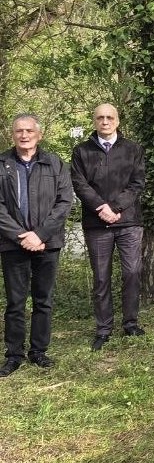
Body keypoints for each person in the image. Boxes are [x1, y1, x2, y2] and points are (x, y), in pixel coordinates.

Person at [0, 114, 73, 376]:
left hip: (47, 243)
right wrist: (21, 235)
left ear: (39, 135)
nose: (24, 135)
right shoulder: (2, 164)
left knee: (44, 300)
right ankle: (14, 355)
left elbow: (64, 202)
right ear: (12, 135)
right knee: (15, 302)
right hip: (13, 244)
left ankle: (39, 351)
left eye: (29, 130)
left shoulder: (55, 163)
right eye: (19, 131)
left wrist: (40, 235)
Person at [71, 103, 146, 350]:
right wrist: (101, 208)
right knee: (101, 276)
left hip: (129, 222)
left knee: (132, 273)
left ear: (118, 120)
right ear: (94, 121)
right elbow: (80, 185)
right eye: (100, 117)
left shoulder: (133, 149)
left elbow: (137, 183)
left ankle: (130, 323)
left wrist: (115, 208)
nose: (105, 121)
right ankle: (103, 328)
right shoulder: (81, 151)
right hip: (96, 223)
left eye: (109, 117)